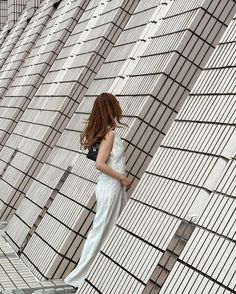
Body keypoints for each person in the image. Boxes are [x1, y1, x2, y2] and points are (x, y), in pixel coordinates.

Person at [64, 93, 131, 289]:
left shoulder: (109, 132)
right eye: (116, 104)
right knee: (100, 231)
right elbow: (100, 164)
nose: (119, 106)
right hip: (110, 186)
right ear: (111, 109)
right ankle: (77, 277)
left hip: (112, 188)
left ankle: (102, 272)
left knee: (112, 229)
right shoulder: (109, 134)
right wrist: (122, 177)